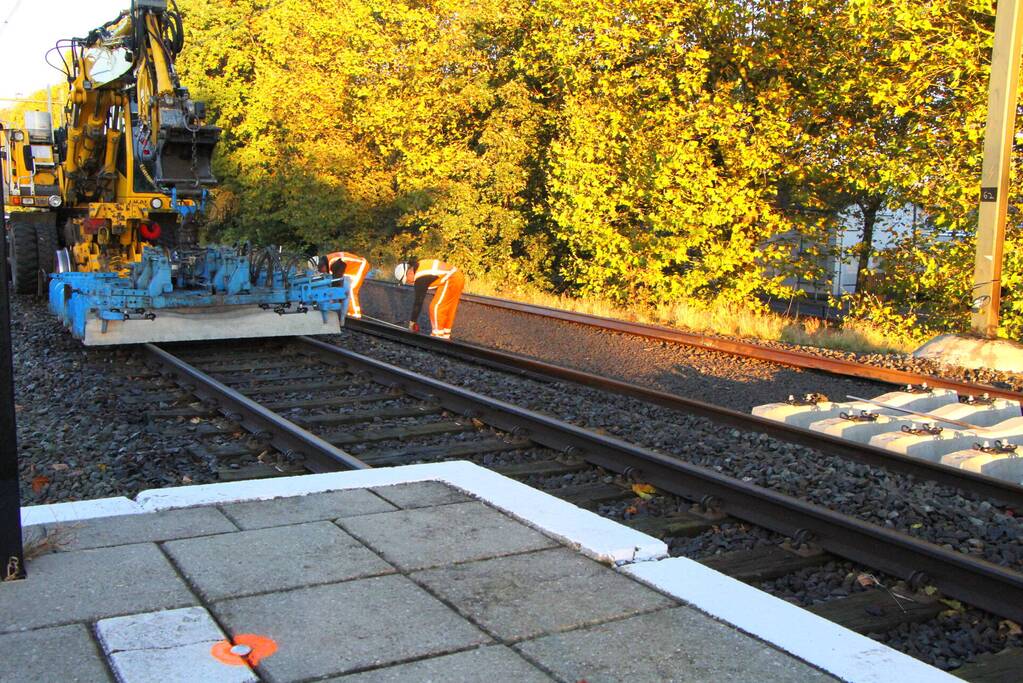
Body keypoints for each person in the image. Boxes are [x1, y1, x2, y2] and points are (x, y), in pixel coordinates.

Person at [395, 259, 464, 339]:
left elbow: (418, 302)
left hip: (452, 278)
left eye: (407, 280)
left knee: (435, 307)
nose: (409, 283)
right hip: (455, 276)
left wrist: (412, 322)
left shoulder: (420, 278)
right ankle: (445, 336)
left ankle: (437, 336)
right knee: (448, 309)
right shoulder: (419, 267)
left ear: (409, 273)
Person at [320, 251, 369, 319]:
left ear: (324, 266)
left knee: (351, 290)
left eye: (323, 271)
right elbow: (336, 280)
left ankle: (354, 316)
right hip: (349, 269)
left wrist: (332, 298)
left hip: (359, 266)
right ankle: (346, 312)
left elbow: (336, 279)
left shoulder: (334, 262)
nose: (324, 272)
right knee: (344, 288)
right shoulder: (329, 261)